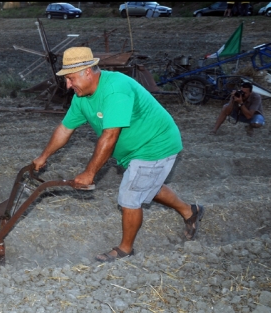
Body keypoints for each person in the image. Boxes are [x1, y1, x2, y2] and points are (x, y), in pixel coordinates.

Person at [32, 47, 204, 262]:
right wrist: (43, 156)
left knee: (130, 197)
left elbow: (110, 135)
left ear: (87, 72)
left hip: (155, 144)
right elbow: (65, 129)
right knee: (148, 185)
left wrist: (89, 173)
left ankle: (125, 250)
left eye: (70, 78)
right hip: (135, 151)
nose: (68, 85)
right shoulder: (81, 96)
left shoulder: (115, 89)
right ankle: (190, 211)